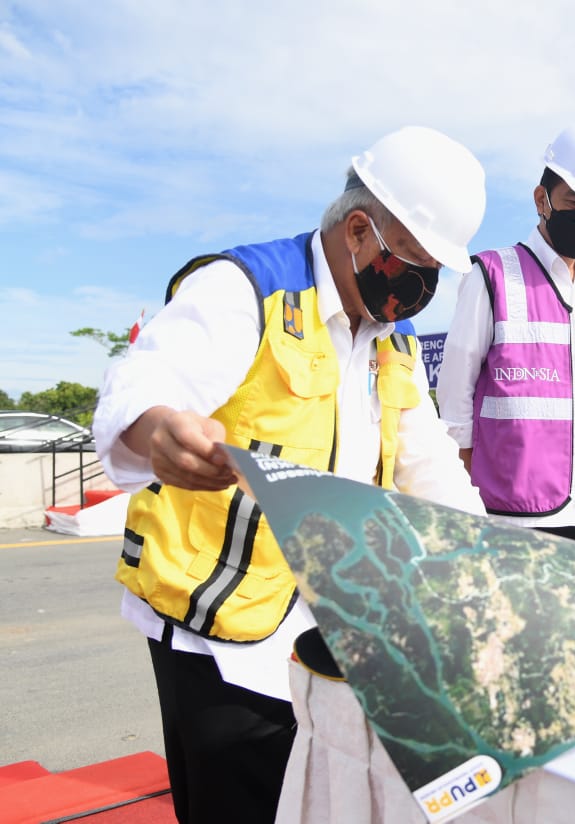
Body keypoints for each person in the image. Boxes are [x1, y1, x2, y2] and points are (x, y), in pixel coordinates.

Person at [92, 126, 489, 824]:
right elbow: (142, 378)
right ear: (359, 231)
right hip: (220, 637)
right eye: (416, 265)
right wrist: (159, 431)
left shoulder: (388, 340)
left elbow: (430, 467)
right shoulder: (248, 288)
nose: (424, 287)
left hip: (328, 634)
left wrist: (491, 563)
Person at [437, 119, 575, 551]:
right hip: (515, 516)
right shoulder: (490, 275)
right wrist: (464, 496)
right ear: (541, 198)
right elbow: (455, 399)